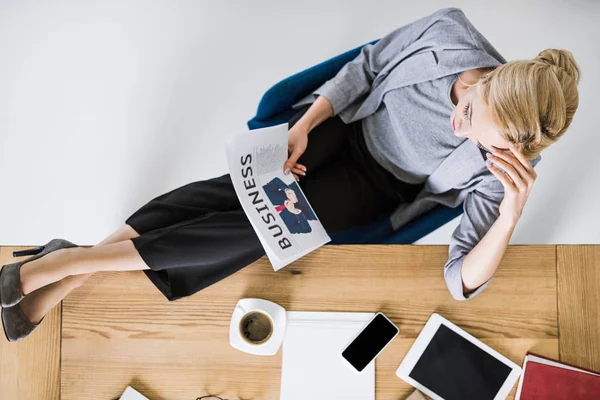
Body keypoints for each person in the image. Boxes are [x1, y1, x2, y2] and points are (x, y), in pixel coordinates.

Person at [0, 7, 580, 342]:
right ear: (494, 76)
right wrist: (307, 123)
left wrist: (507, 218)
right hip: (340, 123)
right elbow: (368, 65)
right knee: (236, 198)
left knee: (258, 230)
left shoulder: (504, 166)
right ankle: (65, 268)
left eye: (477, 139)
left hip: (373, 188)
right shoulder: (450, 31)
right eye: (470, 110)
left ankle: (69, 264)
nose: (458, 128)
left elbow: (461, 280)